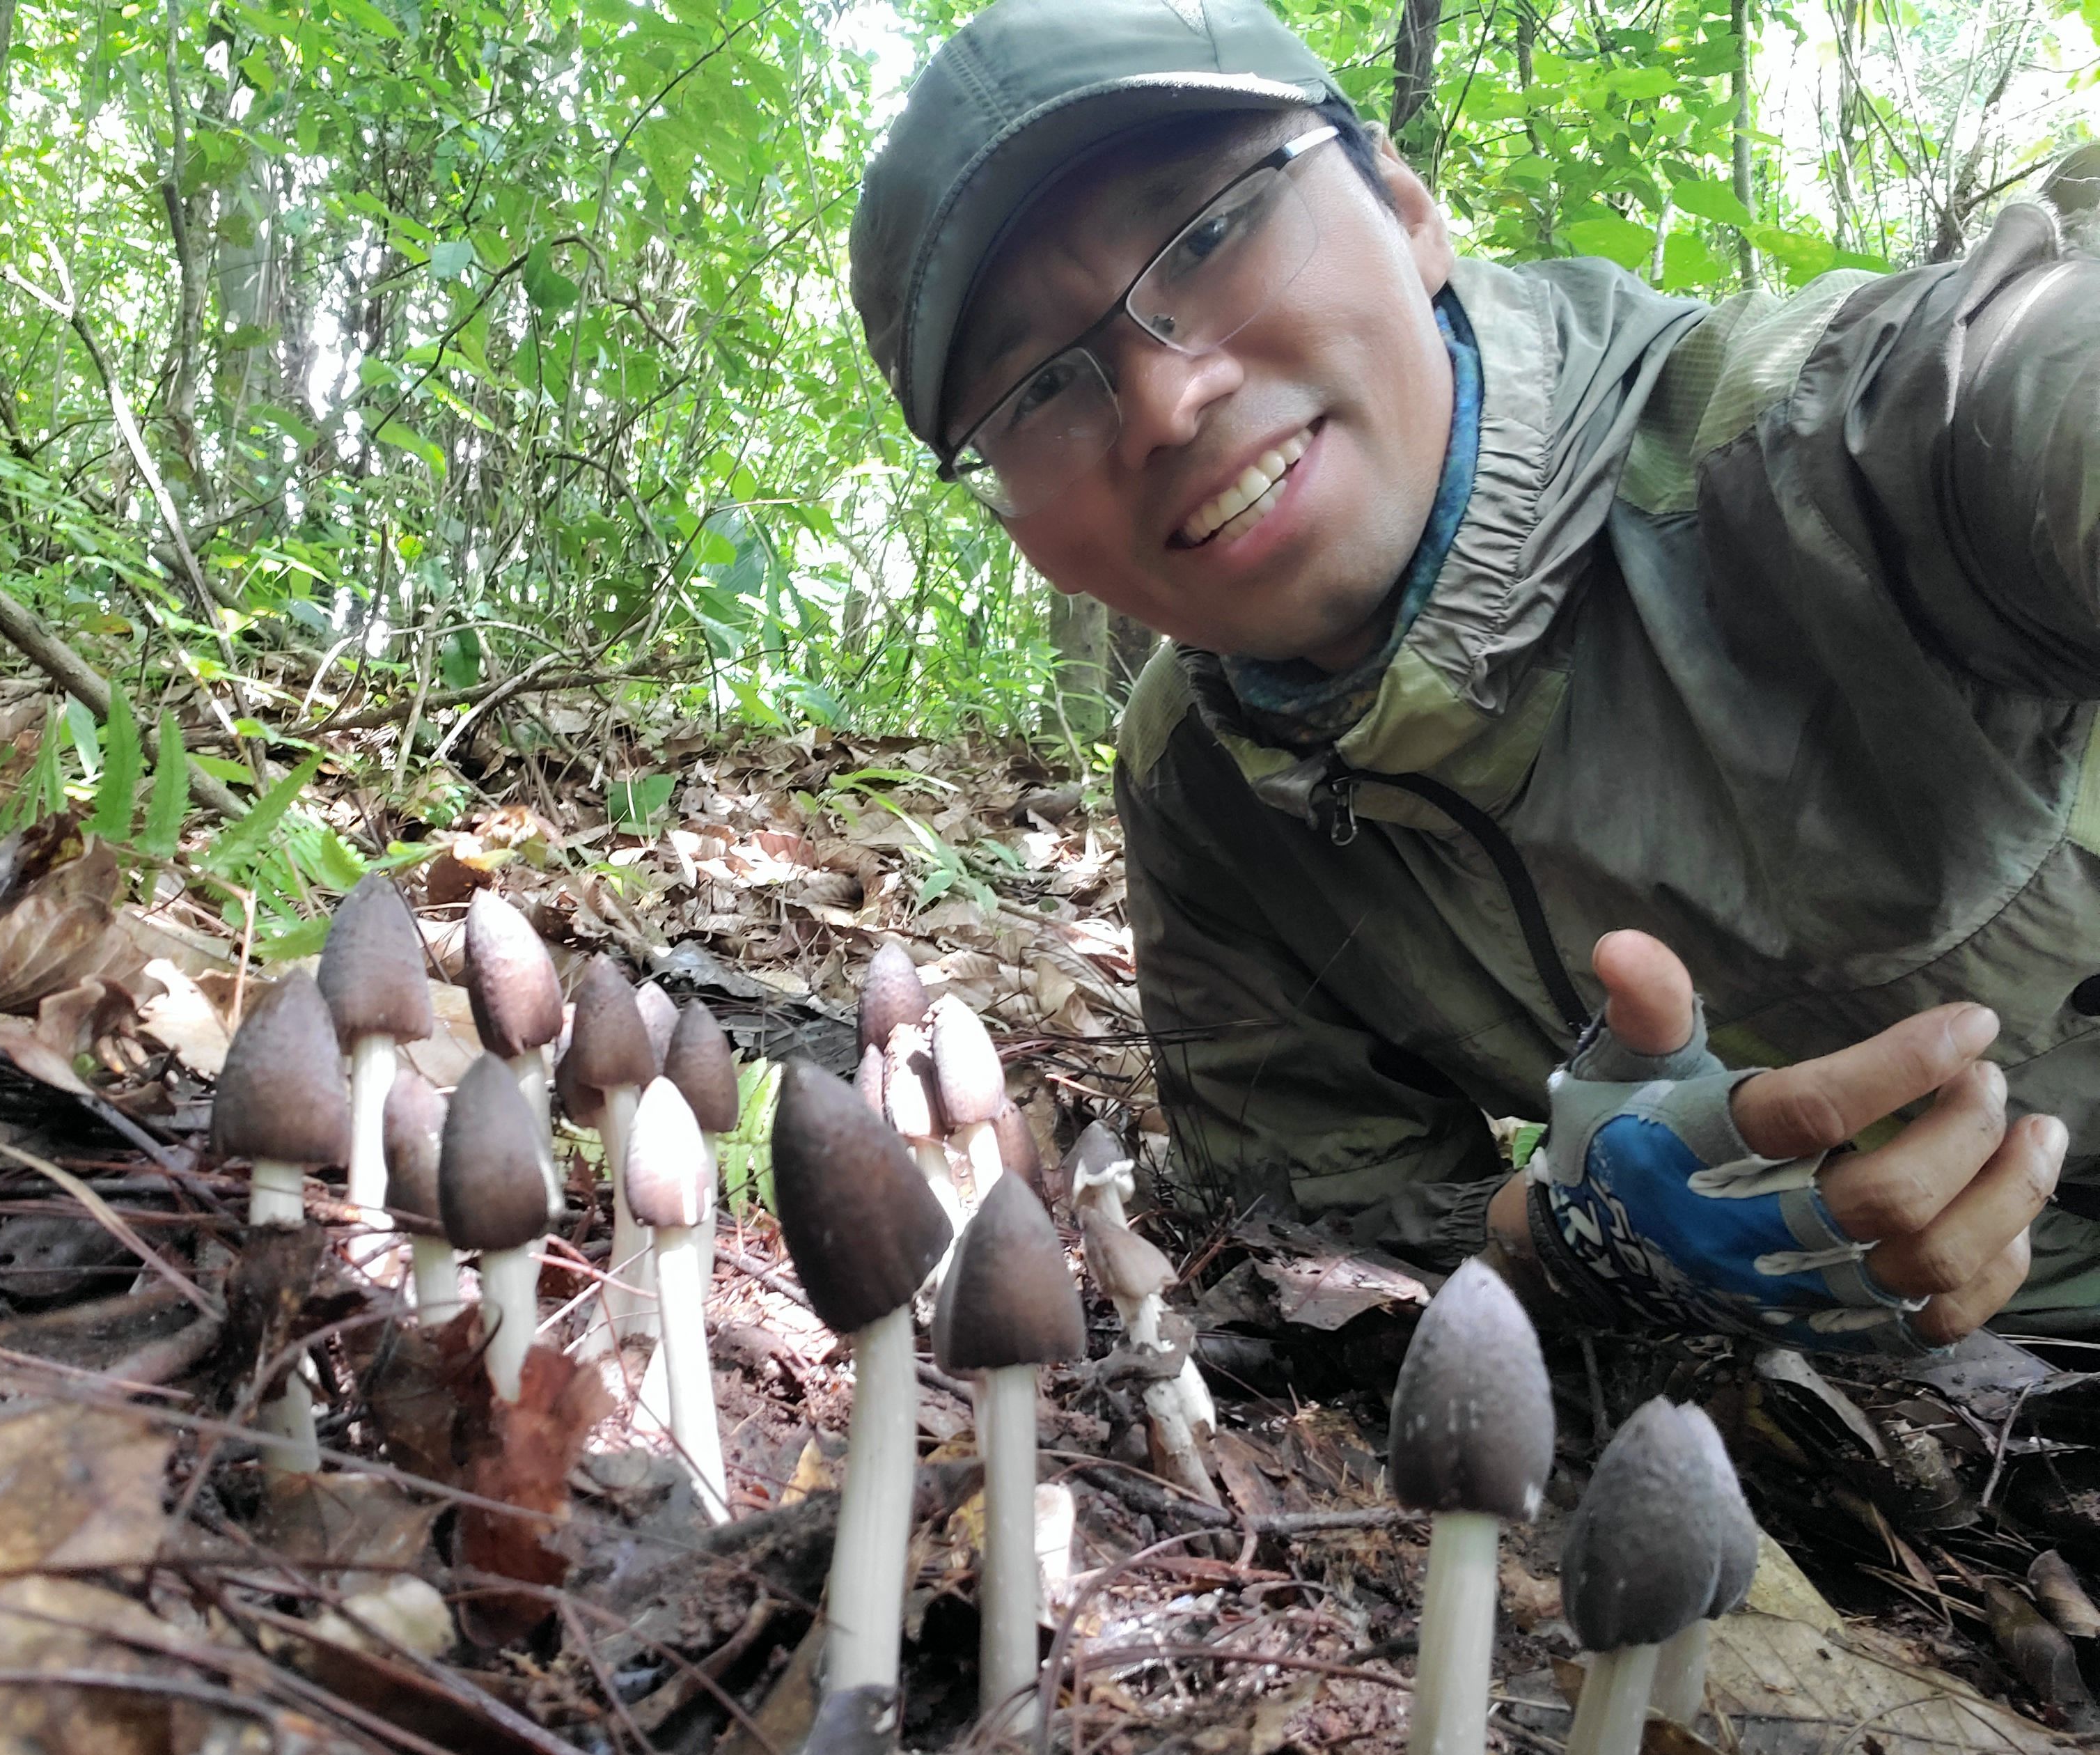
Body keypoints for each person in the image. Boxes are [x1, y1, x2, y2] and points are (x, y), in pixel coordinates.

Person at [847, 0, 2100, 1355]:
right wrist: (1570, 1235)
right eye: (1037, 389)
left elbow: (2037, 385)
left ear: (1404, 206)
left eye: (1208, 234)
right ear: (1025, 532)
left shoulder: (1835, 445)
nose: (1166, 400)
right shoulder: (1204, 793)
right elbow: (1327, 1232)